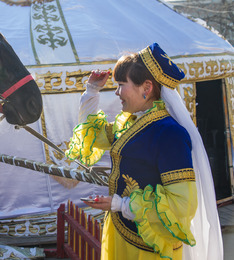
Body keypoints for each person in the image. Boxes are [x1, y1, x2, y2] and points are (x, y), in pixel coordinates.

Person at [66, 43, 223, 259]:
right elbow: (91, 136)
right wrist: (92, 90)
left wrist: (120, 204)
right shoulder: (130, 123)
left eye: (122, 84)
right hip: (123, 233)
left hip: (150, 248)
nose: (117, 92)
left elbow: (182, 205)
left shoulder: (169, 135)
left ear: (147, 88)